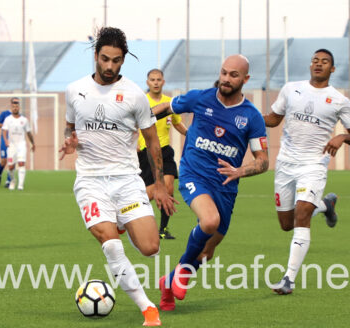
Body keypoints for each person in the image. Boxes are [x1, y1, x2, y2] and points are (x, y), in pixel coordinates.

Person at [59, 27, 178, 326]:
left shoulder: (136, 96)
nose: (110, 66)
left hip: (126, 179)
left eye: (116, 60)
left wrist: (161, 187)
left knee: (151, 248)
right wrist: (69, 140)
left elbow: (153, 141)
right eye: (105, 59)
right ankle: (147, 308)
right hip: (90, 181)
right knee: (111, 245)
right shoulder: (74, 90)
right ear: (96, 55)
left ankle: (121, 221)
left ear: (124, 60)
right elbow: (69, 127)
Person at [153, 54, 269, 310]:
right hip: (194, 174)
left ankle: (168, 283)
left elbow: (263, 161)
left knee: (205, 253)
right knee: (209, 221)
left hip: (226, 186)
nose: (226, 79)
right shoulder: (200, 98)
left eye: (233, 75)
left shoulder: (251, 117)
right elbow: (167, 107)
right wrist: (139, 121)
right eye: (224, 72)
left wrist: (241, 171)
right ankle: (182, 272)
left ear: (246, 79)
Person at [263, 49, 350, 295]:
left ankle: (288, 279)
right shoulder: (291, 89)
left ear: (332, 69)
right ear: (311, 65)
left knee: (303, 213)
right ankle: (326, 206)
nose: (319, 64)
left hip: (314, 164)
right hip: (286, 163)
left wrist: (341, 136)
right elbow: (274, 119)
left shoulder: (339, 100)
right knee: (287, 224)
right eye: (315, 61)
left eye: (325, 61)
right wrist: (244, 114)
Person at [138, 68, 187, 240]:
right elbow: (132, 127)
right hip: (146, 152)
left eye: (159, 79)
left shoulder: (169, 103)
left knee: (168, 187)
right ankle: (131, 212)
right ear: (147, 82)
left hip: (165, 150)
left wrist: (192, 136)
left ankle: (163, 229)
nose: (156, 82)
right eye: (152, 79)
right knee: (148, 192)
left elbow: (177, 124)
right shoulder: (142, 101)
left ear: (163, 82)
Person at [2, 97, 35, 190]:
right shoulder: (8, 119)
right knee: (11, 166)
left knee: (21, 163)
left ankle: (20, 185)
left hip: (21, 145)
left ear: (19, 108)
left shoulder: (24, 120)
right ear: (11, 108)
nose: (15, 108)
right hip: (11, 145)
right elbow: (4, 130)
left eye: (16, 106)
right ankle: (12, 181)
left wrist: (33, 143)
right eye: (13, 106)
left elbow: (29, 133)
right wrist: (6, 140)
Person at [0, 98, 15, 187]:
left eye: (17, 103)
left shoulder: (19, 116)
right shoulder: (5, 114)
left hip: (14, 141)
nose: (16, 105)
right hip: (4, 139)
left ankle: (8, 181)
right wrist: (6, 125)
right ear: (11, 104)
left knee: (12, 160)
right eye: (14, 103)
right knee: (4, 161)